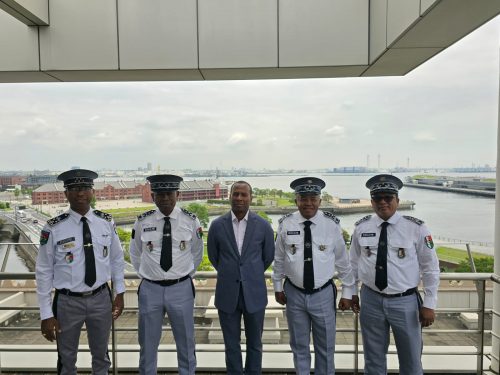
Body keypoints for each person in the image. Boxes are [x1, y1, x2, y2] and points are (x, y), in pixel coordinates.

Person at [35, 168, 125, 375]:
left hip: (101, 298)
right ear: (66, 194)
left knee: (102, 356)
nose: (80, 193)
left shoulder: (106, 222)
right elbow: (43, 271)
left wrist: (119, 293)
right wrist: (46, 313)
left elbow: (116, 259)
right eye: (74, 189)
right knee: (66, 359)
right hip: (67, 303)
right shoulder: (53, 228)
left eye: (85, 188)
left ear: (93, 191)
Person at [349, 174, 440, 375]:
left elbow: (430, 267)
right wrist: (351, 292)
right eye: (378, 198)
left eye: (388, 197)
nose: (383, 202)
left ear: (397, 200)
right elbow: (353, 264)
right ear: (372, 201)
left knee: (411, 361)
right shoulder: (361, 227)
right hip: (370, 299)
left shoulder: (417, 228)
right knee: (373, 360)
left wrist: (429, 303)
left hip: (405, 302)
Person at [272, 177, 355, 375]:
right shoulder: (285, 223)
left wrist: (347, 291)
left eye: (313, 198)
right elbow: (279, 258)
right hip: (294, 294)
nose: (308, 203)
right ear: (296, 200)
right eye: (303, 198)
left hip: (323, 294)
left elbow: (343, 261)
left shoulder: (332, 225)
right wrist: (277, 287)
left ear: (319, 200)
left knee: (325, 347)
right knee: (299, 345)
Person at [129, 174, 203, 375]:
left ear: (177, 194)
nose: (165, 199)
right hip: (150, 289)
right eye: (160, 194)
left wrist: (182, 276)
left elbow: (197, 253)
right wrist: (148, 274)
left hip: (181, 289)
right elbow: (135, 252)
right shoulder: (143, 221)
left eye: (169, 194)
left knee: (186, 343)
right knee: (147, 344)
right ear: (153, 196)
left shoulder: (190, 220)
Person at [207, 181, 275, 375]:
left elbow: (267, 256)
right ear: (230, 197)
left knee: (255, 344)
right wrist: (231, 272)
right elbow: (214, 256)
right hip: (227, 294)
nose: (239, 198)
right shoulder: (217, 225)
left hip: (254, 294)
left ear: (250, 198)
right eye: (235, 194)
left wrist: (250, 273)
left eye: (243, 195)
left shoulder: (263, 226)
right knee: (231, 345)